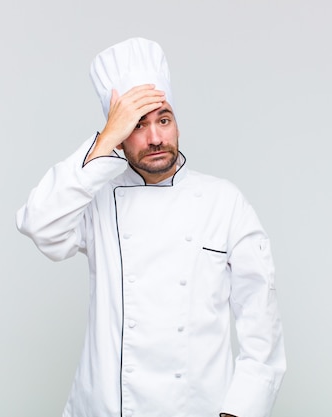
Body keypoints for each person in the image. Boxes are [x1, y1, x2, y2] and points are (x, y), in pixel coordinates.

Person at [16, 37, 286, 417]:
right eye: (137, 126)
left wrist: (237, 412)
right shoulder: (95, 199)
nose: (156, 137)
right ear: (120, 136)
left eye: (163, 119)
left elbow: (262, 325)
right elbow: (39, 225)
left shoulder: (224, 202)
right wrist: (106, 138)